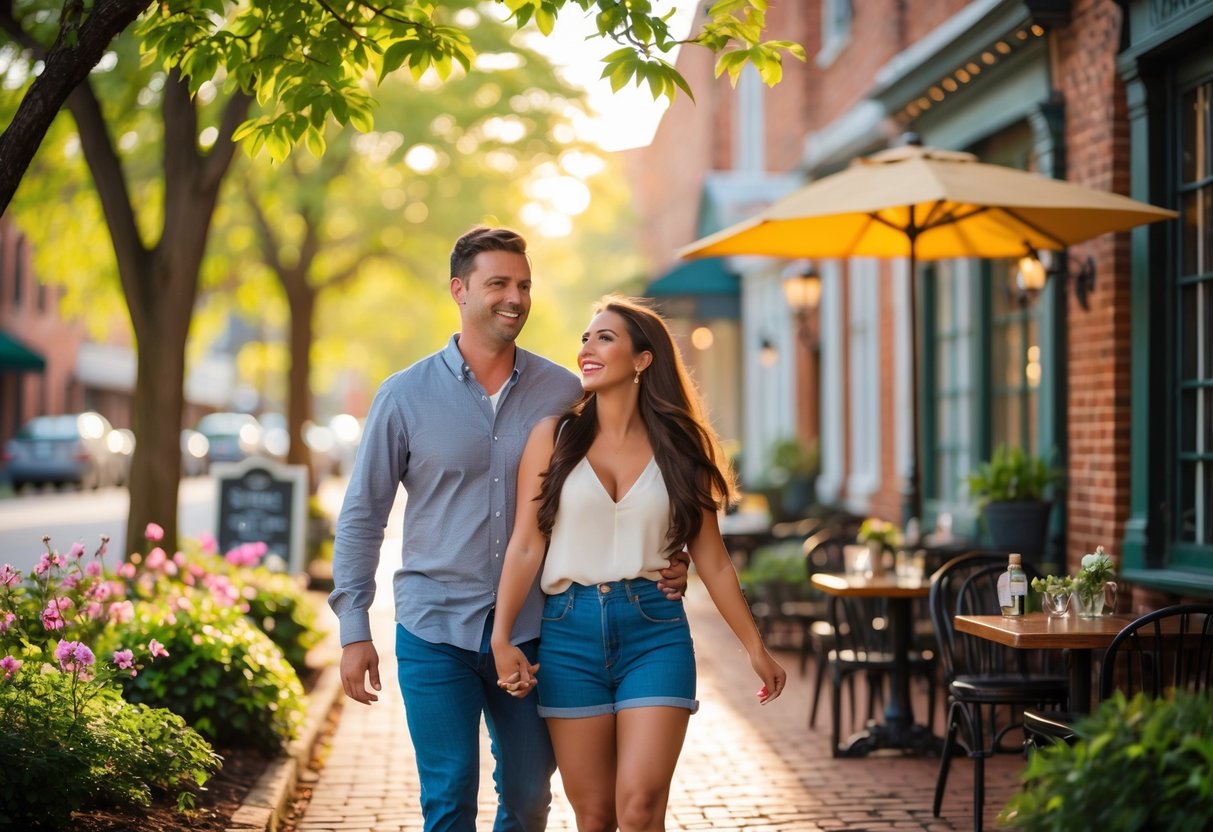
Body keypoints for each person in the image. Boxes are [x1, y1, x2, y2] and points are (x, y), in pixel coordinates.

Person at [328, 227, 689, 832]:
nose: (515, 297)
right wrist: (352, 628)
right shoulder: (404, 396)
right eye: (498, 283)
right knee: (449, 798)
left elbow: (631, 473)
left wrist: (667, 555)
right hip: (433, 627)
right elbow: (363, 515)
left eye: (523, 285)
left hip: (536, 633)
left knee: (528, 799)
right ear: (459, 290)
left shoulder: (567, 392)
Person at [491, 295, 788, 832]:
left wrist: (754, 647)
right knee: (596, 816)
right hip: (568, 635)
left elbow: (713, 561)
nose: (587, 348)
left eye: (605, 337)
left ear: (643, 359)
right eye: (585, 337)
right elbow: (525, 545)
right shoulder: (553, 438)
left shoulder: (681, 447)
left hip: (655, 632)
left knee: (640, 807)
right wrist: (502, 635)